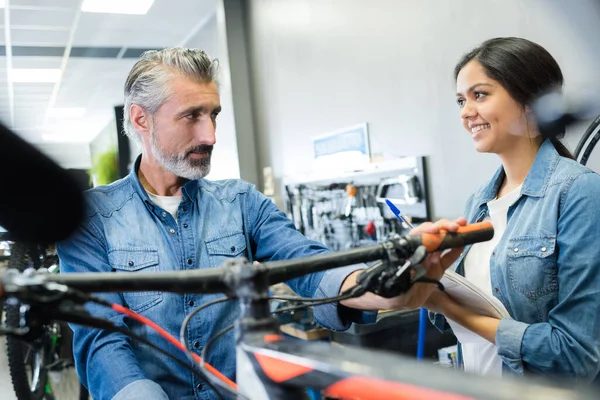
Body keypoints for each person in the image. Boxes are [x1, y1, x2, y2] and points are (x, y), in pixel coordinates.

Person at [56, 48, 462, 400]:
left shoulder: (240, 201)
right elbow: (100, 338)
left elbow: (309, 265)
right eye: (192, 116)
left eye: (213, 114)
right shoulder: (91, 217)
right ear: (141, 120)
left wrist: (387, 282)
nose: (211, 134)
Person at [416, 37, 600, 383]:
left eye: (479, 95)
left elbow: (575, 355)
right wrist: (427, 279)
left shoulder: (580, 193)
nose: (466, 112)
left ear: (531, 100)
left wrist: (447, 306)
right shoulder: (478, 203)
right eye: (460, 100)